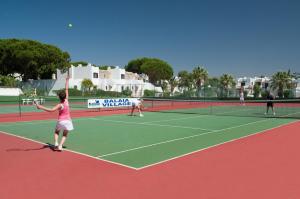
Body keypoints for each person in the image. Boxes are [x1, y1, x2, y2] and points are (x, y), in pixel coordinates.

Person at [35, 76, 73, 151]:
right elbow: (66, 89)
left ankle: (56, 143)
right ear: (65, 96)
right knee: (65, 134)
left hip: (61, 121)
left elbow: (51, 110)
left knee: (56, 132)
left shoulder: (59, 105)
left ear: (59, 97)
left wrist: (40, 107)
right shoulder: (67, 100)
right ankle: (60, 146)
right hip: (68, 121)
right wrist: (67, 80)